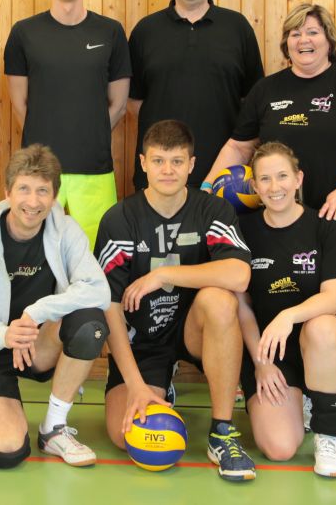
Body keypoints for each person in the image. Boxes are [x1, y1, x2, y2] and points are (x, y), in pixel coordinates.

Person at [204, 3, 336, 437]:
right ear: (285, 43)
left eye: (312, 32)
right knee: (278, 301)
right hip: (279, 224)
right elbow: (238, 146)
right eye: (295, 33)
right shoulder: (267, 90)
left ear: (329, 40)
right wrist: (205, 192)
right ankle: (308, 394)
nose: (303, 40)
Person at [96, 120, 257, 482]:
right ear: (143, 163)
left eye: (177, 161)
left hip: (194, 330)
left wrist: (164, 275)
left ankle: (222, 431)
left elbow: (239, 275)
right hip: (144, 339)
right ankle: (155, 381)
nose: (167, 170)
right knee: (125, 437)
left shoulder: (211, 210)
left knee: (220, 300)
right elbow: (110, 308)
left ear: (191, 164)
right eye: (158, 161)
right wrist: (136, 385)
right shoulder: (120, 219)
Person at [0, 145, 111, 469]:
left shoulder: (66, 232)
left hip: (39, 345)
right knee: (7, 452)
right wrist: (4, 334)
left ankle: (54, 428)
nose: (33, 202)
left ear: (55, 196)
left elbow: (98, 289)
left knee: (90, 322)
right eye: (24, 189)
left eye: (42, 191)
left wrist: (36, 312)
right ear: (7, 192)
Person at [237, 142, 336, 478]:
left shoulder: (326, 226)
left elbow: (334, 299)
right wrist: (261, 363)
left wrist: (288, 316)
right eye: (265, 179)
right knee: (279, 448)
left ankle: (327, 437)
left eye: (282, 176)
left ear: (298, 179)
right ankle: (300, 399)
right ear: (254, 186)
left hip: (320, 341)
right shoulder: (243, 230)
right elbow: (241, 305)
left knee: (322, 327)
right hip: (269, 350)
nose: (274, 186)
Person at [4, 0, 132, 248]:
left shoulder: (111, 32)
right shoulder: (24, 32)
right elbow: (20, 105)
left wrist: (88, 135)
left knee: (96, 257)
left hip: (95, 169)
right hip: (39, 172)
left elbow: (118, 105)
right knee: (35, 255)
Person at [128, 0, 263, 191]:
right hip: (160, 174)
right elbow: (134, 101)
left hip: (224, 176)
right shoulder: (145, 31)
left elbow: (252, 99)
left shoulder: (237, 27)